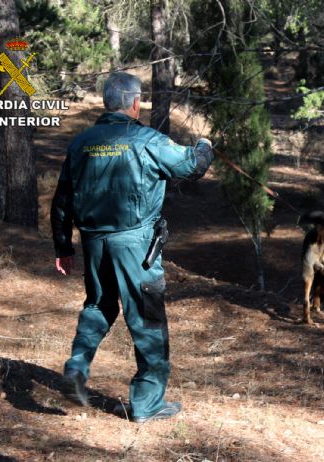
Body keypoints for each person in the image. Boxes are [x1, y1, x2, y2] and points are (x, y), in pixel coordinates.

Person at [50, 71, 213, 423]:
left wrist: (63, 245)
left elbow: (61, 200)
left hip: (93, 241)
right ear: (136, 103)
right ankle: (147, 403)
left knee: (98, 305)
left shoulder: (81, 143)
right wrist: (205, 146)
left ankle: (77, 367)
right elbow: (193, 167)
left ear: (108, 102)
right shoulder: (148, 140)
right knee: (148, 319)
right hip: (135, 245)